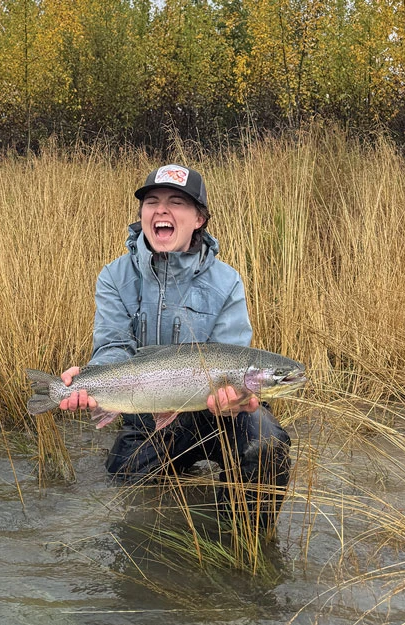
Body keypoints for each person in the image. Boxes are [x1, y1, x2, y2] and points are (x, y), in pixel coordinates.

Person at [59, 164, 290, 526]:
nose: (162, 210)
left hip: (214, 416)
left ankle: (241, 542)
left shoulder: (227, 282)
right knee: (128, 495)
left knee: (267, 442)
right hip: (147, 414)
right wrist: (93, 378)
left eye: (177, 203)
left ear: (199, 219)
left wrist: (234, 402)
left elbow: (231, 353)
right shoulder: (115, 277)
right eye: (152, 201)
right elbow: (114, 346)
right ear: (142, 215)